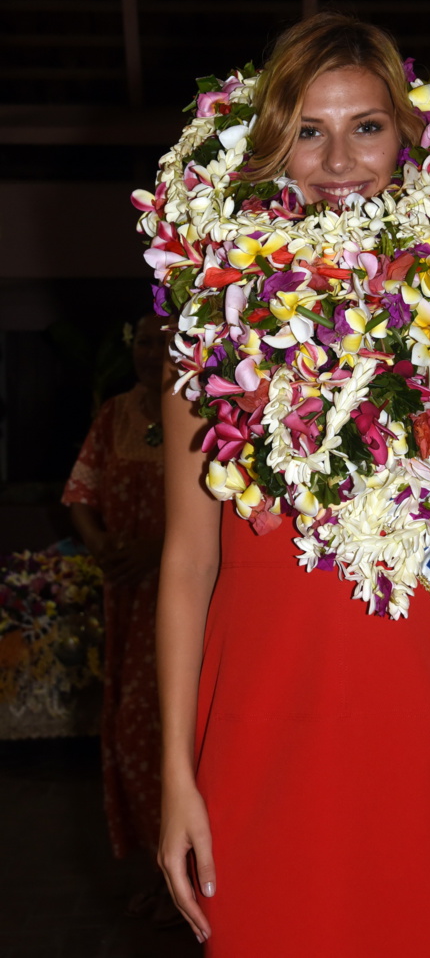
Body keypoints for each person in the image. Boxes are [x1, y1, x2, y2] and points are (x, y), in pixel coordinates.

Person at [149, 13, 430, 957]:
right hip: (258, 735)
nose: (338, 159)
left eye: (366, 126)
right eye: (307, 129)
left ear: (407, 143)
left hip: (426, 742)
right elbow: (184, 561)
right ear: (267, 147)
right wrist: (176, 774)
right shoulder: (206, 331)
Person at [63, 314, 174, 920]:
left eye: (163, 342)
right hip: (129, 602)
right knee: (136, 730)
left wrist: (160, 548)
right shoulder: (114, 415)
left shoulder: (205, 415)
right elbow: (79, 494)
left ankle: (190, 882)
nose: (151, 353)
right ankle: (163, 875)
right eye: (143, 342)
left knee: (175, 732)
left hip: (186, 599)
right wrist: (103, 544)